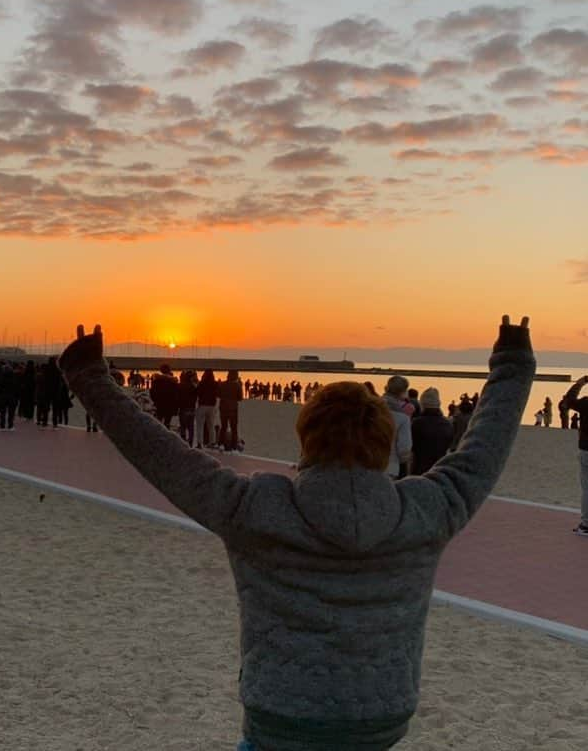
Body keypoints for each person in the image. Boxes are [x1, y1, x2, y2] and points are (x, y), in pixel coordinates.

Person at [59, 316, 535, 751]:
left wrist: (89, 377)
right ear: (385, 442)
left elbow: (163, 456)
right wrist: (512, 367)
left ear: (307, 438)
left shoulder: (256, 509)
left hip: (281, 719)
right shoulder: (427, 509)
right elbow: (482, 451)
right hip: (380, 719)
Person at [562, 375, 588, 537]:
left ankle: (586, 525)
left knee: (587, 489)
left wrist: (580, 383)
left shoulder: (586, 403)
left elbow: (569, 400)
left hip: (586, 450)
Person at [410, 388, 453, 475]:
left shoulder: (416, 423)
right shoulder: (447, 423)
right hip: (439, 468)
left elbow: (411, 447)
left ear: (423, 404)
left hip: (419, 468)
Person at [383, 375, 412, 479]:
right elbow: (404, 448)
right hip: (390, 467)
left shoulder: (371, 410)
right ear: (403, 392)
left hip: (366, 464)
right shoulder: (402, 418)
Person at [218, 370, 243, 452]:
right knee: (234, 428)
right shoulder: (237, 385)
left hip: (223, 408)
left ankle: (221, 444)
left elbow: (218, 394)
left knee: (223, 427)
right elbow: (240, 398)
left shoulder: (222, 384)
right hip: (233, 409)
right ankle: (234, 446)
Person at [150, 363, 180, 429]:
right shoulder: (173, 381)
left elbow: (152, 393)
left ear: (161, 370)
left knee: (158, 422)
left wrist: (155, 401)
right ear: (169, 370)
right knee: (167, 423)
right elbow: (177, 394)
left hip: (159, 404)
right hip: (170, 405)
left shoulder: (156, 381)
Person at [195, 369, 218, 448]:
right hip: (212, 406)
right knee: (211, 425)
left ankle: (199, 443)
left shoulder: (202, 383)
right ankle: (212, 442)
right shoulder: (215, 384)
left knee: (200, 425)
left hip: (203, 405)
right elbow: (218, 393)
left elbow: (197, 393)